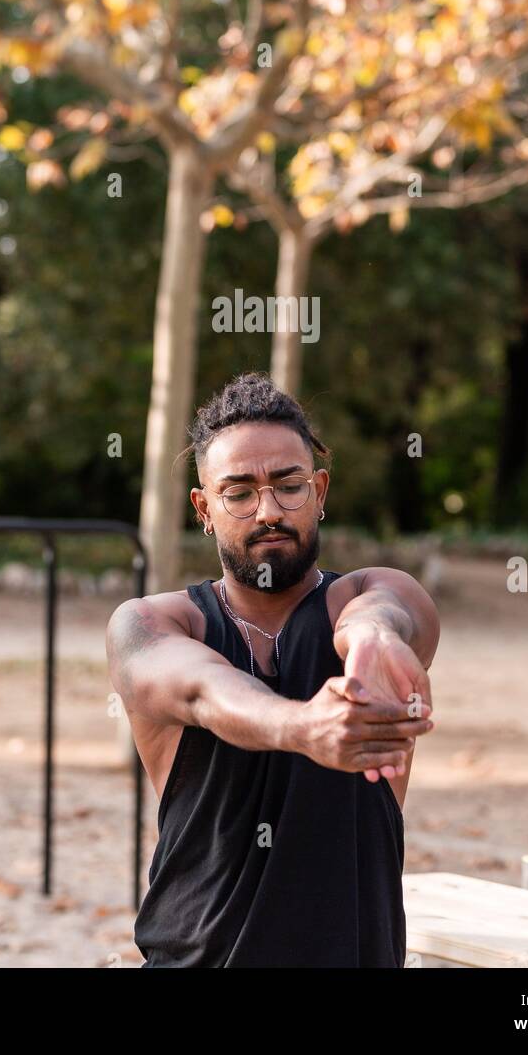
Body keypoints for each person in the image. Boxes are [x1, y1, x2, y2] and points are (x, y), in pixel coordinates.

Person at [106, 371, 439, 967]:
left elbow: (381, 612)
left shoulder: (377, 594)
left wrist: (372, 636)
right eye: (239, 493)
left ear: (321, 492)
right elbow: (205, 692)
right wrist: (306, 728)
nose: (268, 511)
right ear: (204, 508)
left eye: (289, 485)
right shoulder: (151, 624)